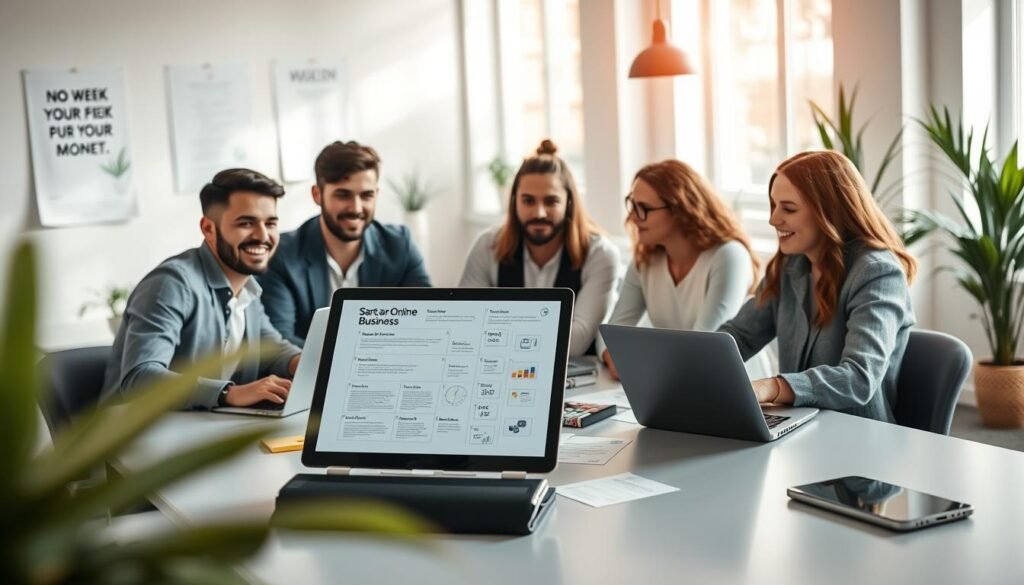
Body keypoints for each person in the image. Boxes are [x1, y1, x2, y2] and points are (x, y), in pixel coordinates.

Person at [718, 151, 917, 423]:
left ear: (829, 212)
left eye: (788, 208)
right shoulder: (790, 266)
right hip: (800, 423)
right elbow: (739, 336)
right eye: (773, 205)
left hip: (857, 431)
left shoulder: (877, 272)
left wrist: (772, 387)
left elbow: (859, 377)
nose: (774, 219)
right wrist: (690, 366)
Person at [103, 169, 302, 410]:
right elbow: (140, 378)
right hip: (138, 428)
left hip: (205, 424)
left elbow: (272, 348)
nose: (263, 235)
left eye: (270, 223)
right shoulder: (171, 284)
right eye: (246, 223)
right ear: (208, 229)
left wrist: (304, 361)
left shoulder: (246, 287)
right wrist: (229, 393)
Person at [599, 159, 772, 380]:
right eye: (632, 205)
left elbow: (705, 345)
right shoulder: (646, 261)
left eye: (644, 208)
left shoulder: (728, 256)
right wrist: (610, 355)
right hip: (676, 379)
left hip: (737, 382)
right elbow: (609, 333)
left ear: (681, 209)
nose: (632, 217)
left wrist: (636, 360)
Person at [259, 141, 431, 346]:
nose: (356, 208)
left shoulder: (400, 245)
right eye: (343, 195)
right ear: (317, 195)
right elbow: (280, 340)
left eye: (366, 195)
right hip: (311, 366)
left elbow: (425, 321)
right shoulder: (282, 254)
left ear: (376, 195)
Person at [459, 139, 619, 356]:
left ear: (569, 202)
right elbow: (466, 325)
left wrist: (496, 335)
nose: (539, 213)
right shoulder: (488, 247)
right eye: (528, 201)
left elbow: (576, 341)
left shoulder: (600, 254)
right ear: (514, 202)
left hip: (575, 375)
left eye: (551, 201)